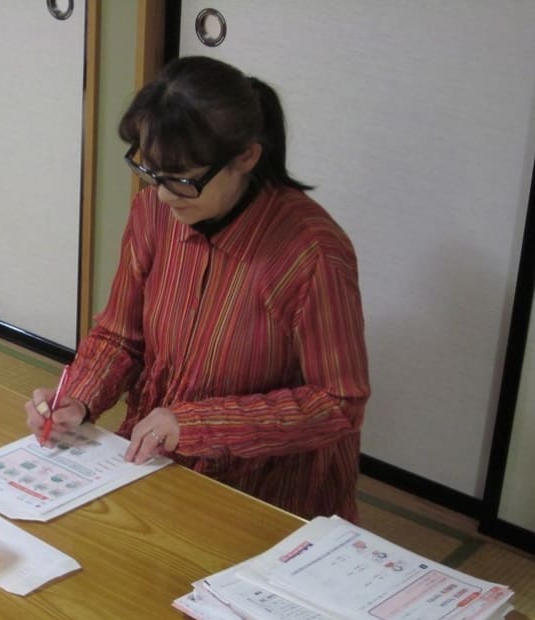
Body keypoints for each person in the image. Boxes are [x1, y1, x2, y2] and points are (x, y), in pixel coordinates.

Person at [25, 56, 370, 522]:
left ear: (246, 157)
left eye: (182, 178)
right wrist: (79, 398)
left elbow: (338, 402)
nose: (163, 195)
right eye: (151, 172)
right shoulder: (153, 213)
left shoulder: (311, 253)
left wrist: (196, 424)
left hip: (266, 488)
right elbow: (120, 336)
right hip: (150, 458)